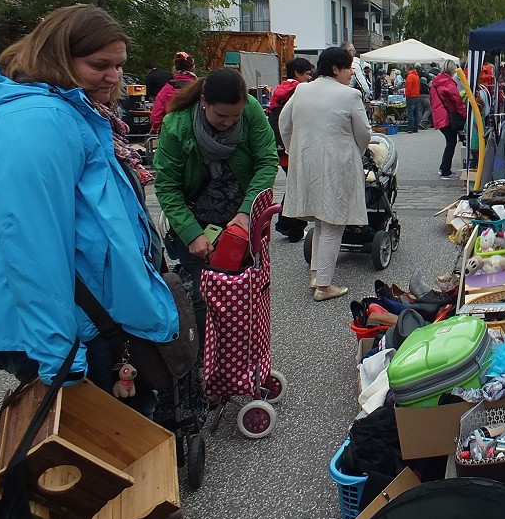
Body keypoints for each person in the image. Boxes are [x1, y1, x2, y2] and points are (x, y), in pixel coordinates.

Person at [0, 5, 180, 419]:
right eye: (99, 65)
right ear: (56, 57)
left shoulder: (64, 109)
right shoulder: (36, 120)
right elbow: (28, 243)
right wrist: (59, 355)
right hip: (76, 325)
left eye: (119, 65)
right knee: (101, 448)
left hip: (88, 314)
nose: (115, 78)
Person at [153, 67, 278, 345]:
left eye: (235, 116)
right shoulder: (177, 125)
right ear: (203, 102)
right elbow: (167, 186)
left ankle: (240, 354)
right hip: (196, 222)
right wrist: (190, 233)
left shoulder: (251, 110)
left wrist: (247, 213)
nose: (229, 123)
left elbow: (267, 161)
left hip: (242, 223)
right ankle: (205, 365)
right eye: (221, 116)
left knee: (246, 289)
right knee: (205, 295)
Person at [279, 46, 371, 300]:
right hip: (337, 164)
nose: (351, 72)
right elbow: (364, 133)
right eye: (348, 67)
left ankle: (317, 274)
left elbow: (284, 123)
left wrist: (295, 149)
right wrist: (357, 151)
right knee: (334, 221)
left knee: (320, 221)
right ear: (335, 68)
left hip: (306, 163)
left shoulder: (301, 90)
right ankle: (324, 286)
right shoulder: (350, 96)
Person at [269, 57, 315, 241]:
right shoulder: (299, 91)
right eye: (307, 74)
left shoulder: (278, 91)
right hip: (295, 147)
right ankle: (293, 228)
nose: (310, 78)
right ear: (297, 74)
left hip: (280, 149)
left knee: (293, 186)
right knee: (300, 189)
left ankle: (285, 224)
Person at [431, 59, 467, 180]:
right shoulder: (448, 83)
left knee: (450, 142)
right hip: (448, 117)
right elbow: (457, 101)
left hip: (439, 116)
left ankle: (443, 168)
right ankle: (445, 171)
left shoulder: (436, 83)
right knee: (451, 143)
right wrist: (465, 115)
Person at [150, 50, 197, 132]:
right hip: (195, 133)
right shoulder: (199, 88)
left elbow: (156, 116)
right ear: (193, 68)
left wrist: (162, 130)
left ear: (175, 68)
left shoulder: (167, 89)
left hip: (170, 133)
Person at [404, 64, 422, 132]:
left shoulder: (410, 76)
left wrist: (406, 95)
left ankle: (410, 128)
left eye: (405, 69)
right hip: (417, 95)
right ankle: (415, 128)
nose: (405, 70)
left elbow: (409, 88)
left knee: (410, 113)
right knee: (415, 113)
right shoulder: (416, 76)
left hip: (411, 96)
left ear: (408, 69)